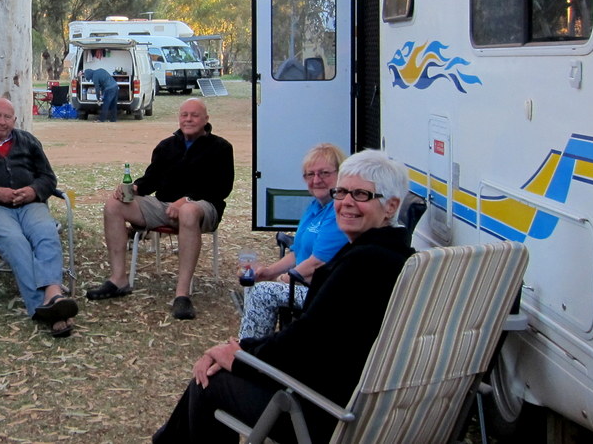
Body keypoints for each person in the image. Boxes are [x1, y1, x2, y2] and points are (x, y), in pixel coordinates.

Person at [151, 150, 414, 443]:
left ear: (390, 206)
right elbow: (317, 339)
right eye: (342, 192)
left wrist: (238, 355)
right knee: (218, 367)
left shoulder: (363, 264)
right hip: (365, 400)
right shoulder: (401, 257)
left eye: (362, 195)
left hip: (323, 411)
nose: (346, 203)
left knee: (210, 380)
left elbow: (301, 346)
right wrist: (242, 349)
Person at [87, 98, 234, 320]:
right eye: (184, 115)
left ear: (206, 119)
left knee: (188, 211)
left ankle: (182, 295)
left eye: (194, 115)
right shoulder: (167, 146)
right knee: (113, 205)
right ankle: (118, 279)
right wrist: (133, 187)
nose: (188, 119)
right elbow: (151, 179)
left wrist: (186, 200)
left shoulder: (221, 148)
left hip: (203, 207)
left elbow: (221, 189)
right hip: (164, 206)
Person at [0, 96, 79, 337]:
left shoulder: (28, 141)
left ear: (14, 120)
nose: (2, 121)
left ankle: (53, 293)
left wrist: (33, 191)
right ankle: (45, 307)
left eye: (7, 117)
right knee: (16, 241)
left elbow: (48, 178)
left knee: (45, 232)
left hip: (30, 204)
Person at [238, 143, 348, 338]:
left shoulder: (339, 211)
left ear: (340, 174)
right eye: (310, 174)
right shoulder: (315, 207)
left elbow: (317, 262)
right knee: (254, 282)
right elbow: (297, 253)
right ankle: (255, 344)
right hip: (303, 283)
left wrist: (283, 279)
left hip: (322, 292)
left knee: (263, 292)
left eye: (324, 173)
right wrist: (268, 271)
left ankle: (251, 356)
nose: (316, 180)